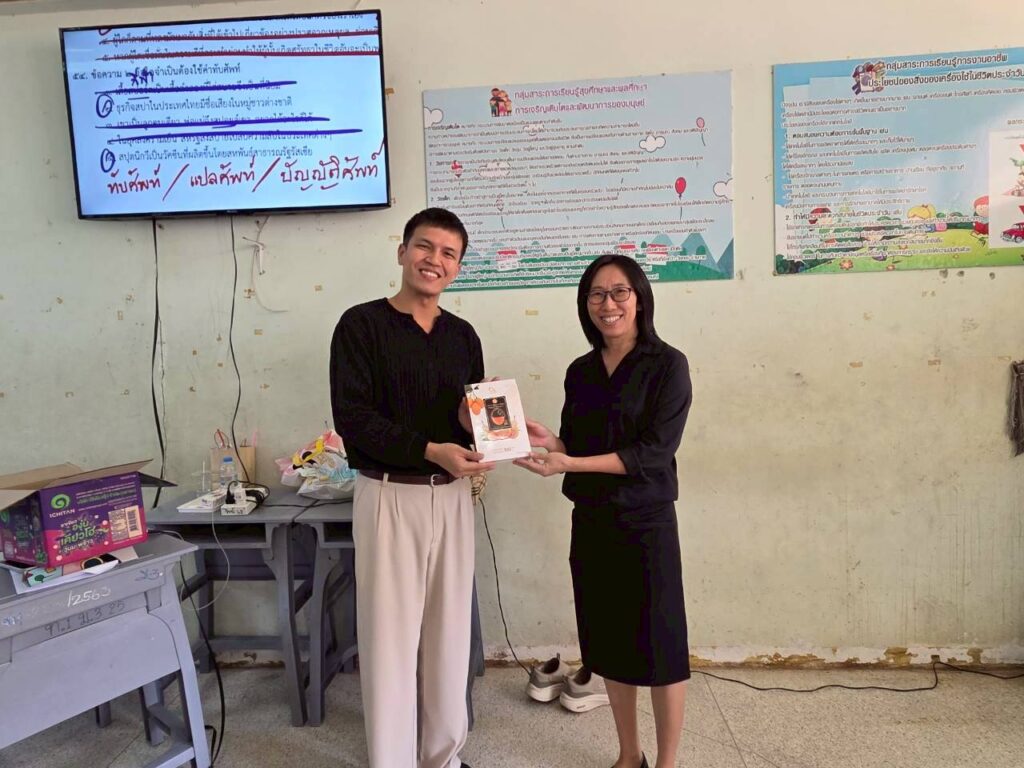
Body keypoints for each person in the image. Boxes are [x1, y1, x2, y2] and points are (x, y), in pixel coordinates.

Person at [330, 207, 493, 768]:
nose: (434, 260)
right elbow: (354, 418)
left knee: (449, 632)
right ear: (402, 252)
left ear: (458, 267)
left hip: (451, 496)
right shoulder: (360, 326)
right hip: (388, 496)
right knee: (389, 639)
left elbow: (464, 416)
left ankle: (442, 757)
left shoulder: (463, 336)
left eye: (449, 254)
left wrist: (483, 430)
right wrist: (429, 449)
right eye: (425, 247)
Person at [515, 253, 692, 768]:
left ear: (639, 299)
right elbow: (579, 444)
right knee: (610, 643)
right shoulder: (582, 371)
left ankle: (667, 763)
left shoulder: (668, 365)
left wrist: (569, 461)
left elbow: (652, 453)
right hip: (592, 522)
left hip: (646, 522)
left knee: (661, 647)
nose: (607, 303)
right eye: (596, 293)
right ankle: (628, 755)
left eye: (619, 292)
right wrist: (552, 441)